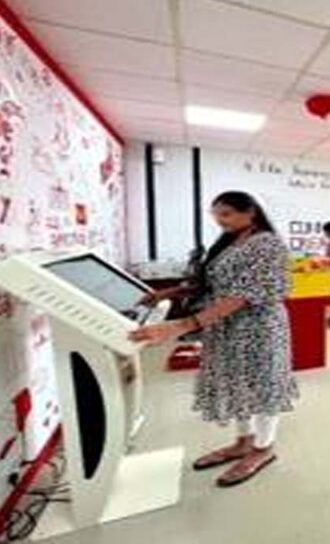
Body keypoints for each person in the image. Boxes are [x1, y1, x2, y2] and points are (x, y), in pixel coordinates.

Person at [129, 191, 296, 487]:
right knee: (237, 383)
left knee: (262, 385)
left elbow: (243, 295)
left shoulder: (267, 244)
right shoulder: (230, 242)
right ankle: (244, 441)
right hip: (225, 325)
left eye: (226, 214)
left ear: (250, 212)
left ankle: (263, 448)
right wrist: (168, 293)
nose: (220, 221)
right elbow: (211, 283)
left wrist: (183, 325)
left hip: (258, 328)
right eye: (216, 215)